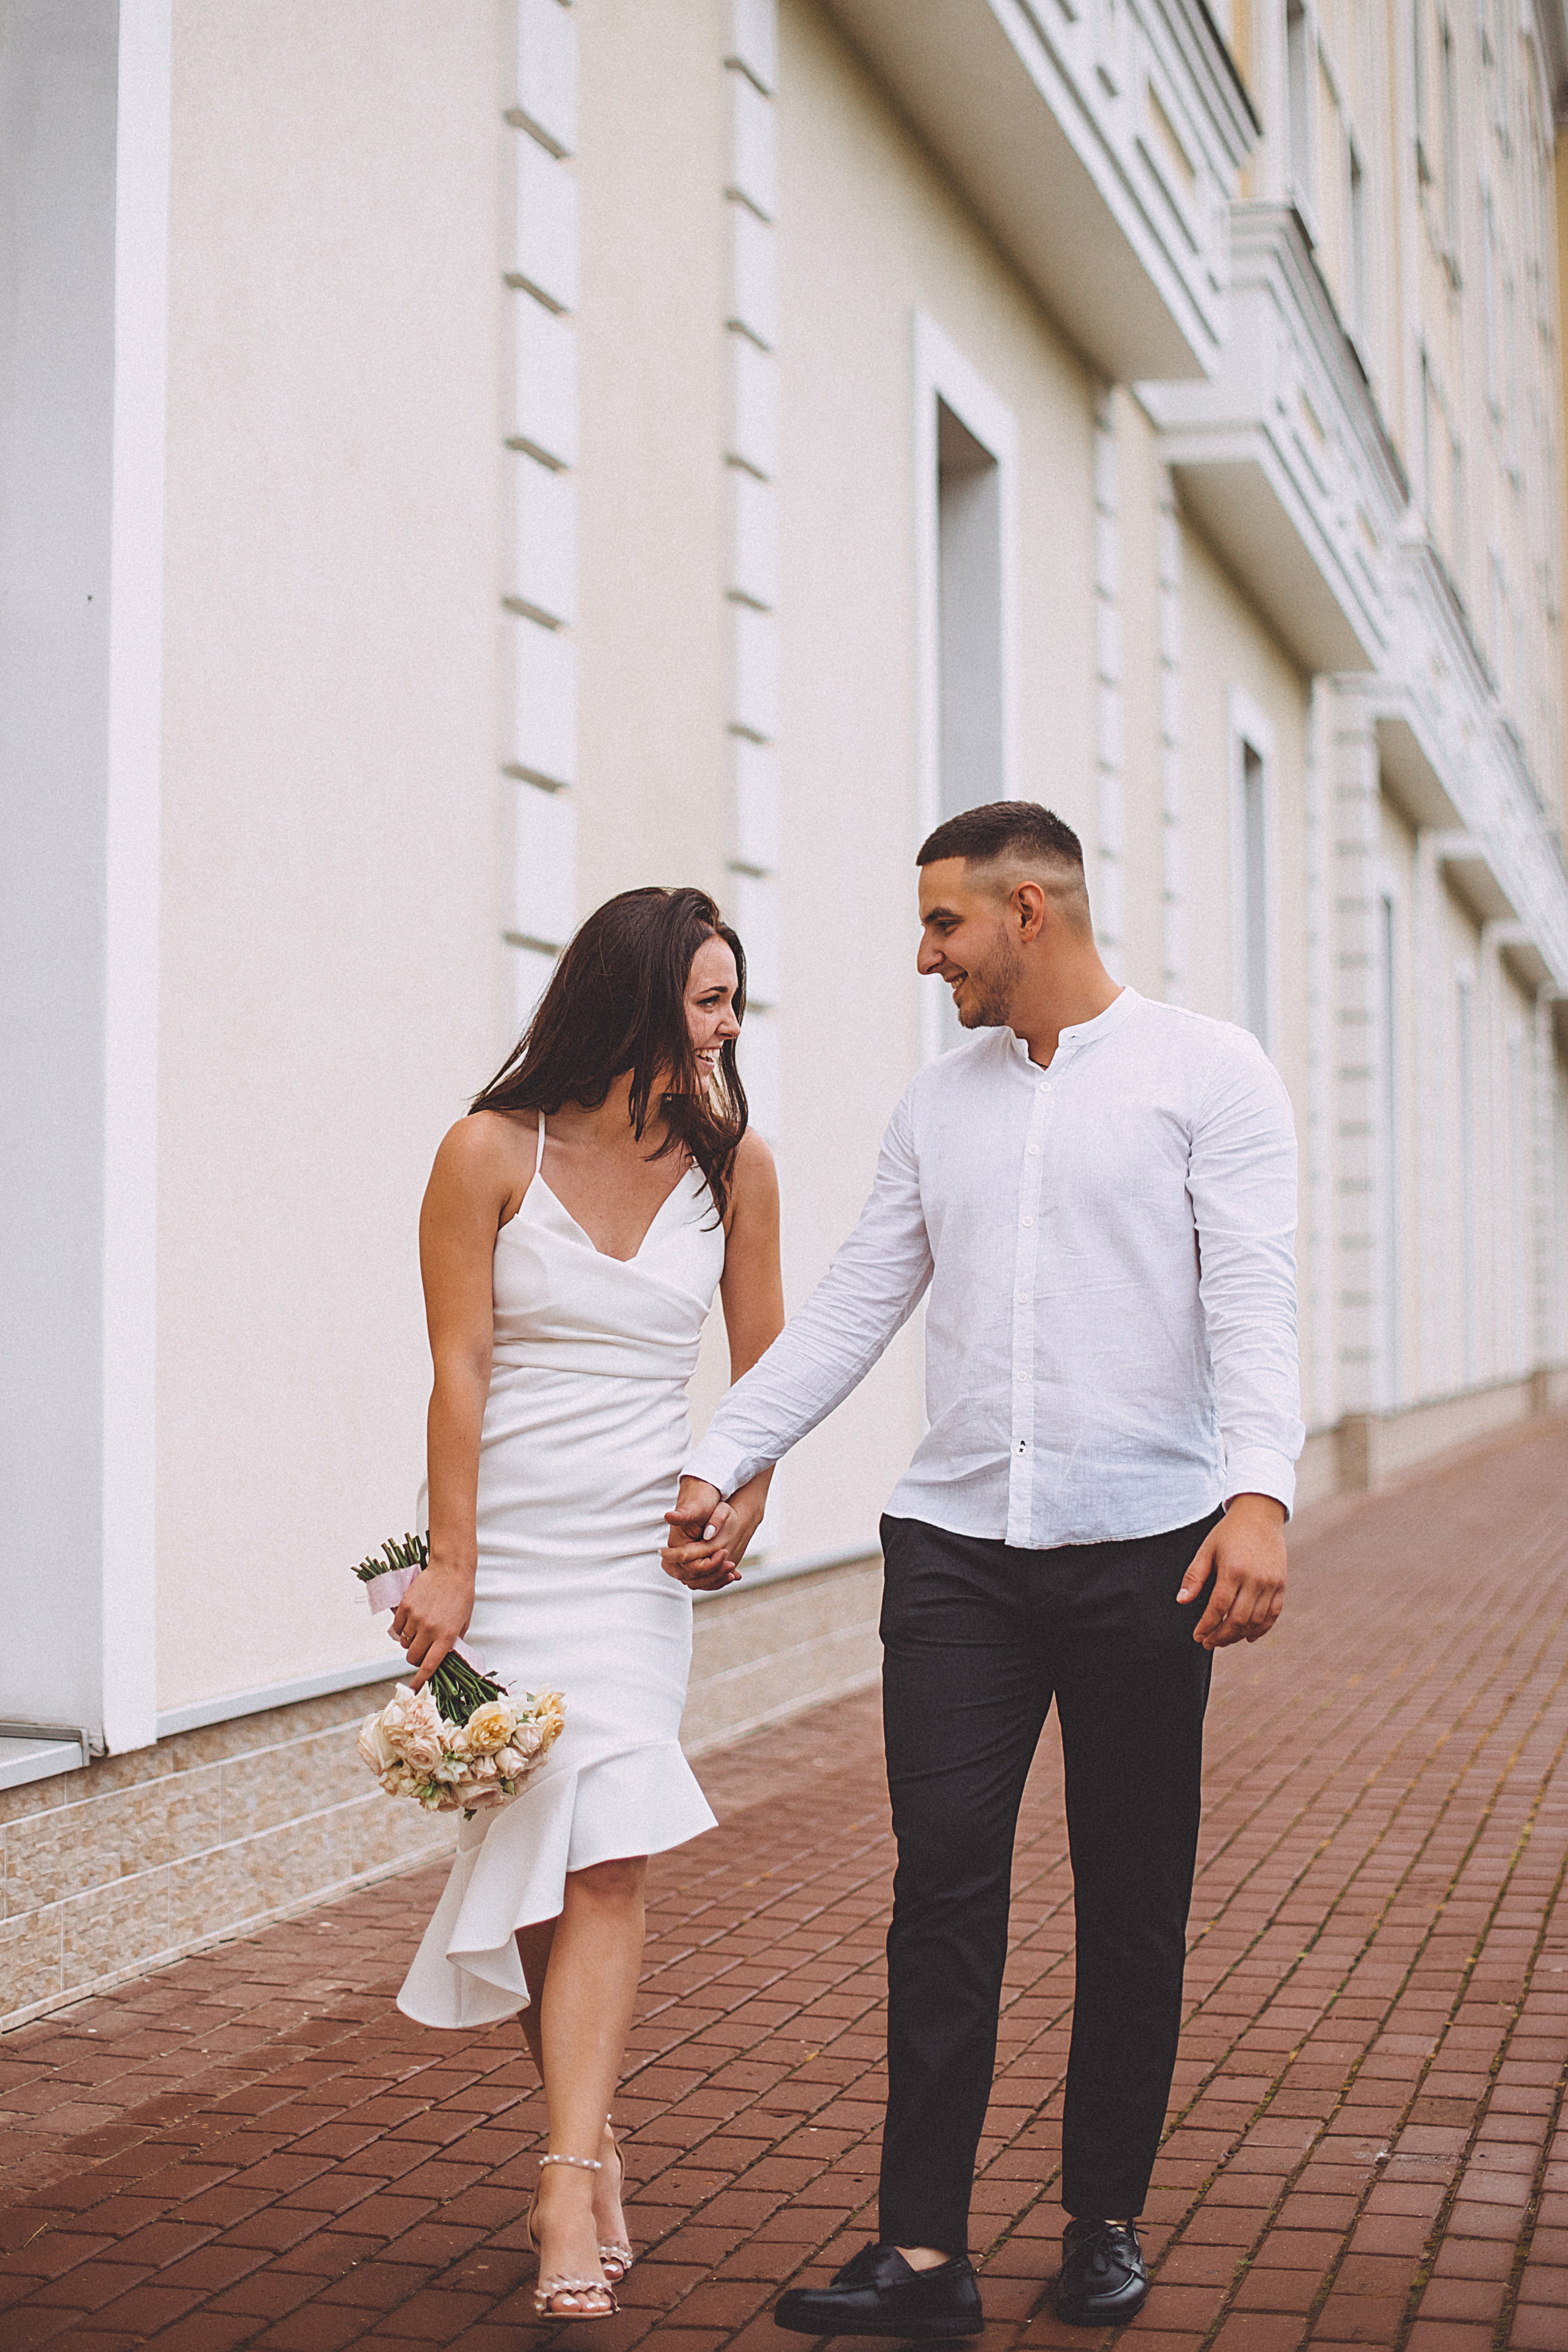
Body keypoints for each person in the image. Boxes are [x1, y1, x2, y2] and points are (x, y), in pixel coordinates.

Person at [664, 803, 1302, 2339]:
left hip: (1147, 1548)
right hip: (956, 1552)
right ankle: (923, 2257)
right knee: (940, 1888)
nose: (923, 954)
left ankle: (1101, 2218)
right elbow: (848, 1306)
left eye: (942, 925)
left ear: (1027, 911)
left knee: (1129, 1893)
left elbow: (1257, 1306)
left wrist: (1258, 1496)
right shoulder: (933, 1106)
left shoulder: (1208, 1075)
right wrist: (728, 1451)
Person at [395, 886, 783, 2322]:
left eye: (734, 998)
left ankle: (562, 2176)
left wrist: (741, 1502)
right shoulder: (486, 1152)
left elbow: (765, 1382)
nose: (729, 1024)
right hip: (507, 1554)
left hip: (636, 1566)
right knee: (543, 1857)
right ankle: (596, 2136)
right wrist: (448, 1564)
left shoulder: (735, 1173)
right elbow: (460, 1373)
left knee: (608, 1847)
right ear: (632, 1001)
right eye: (707, 998)